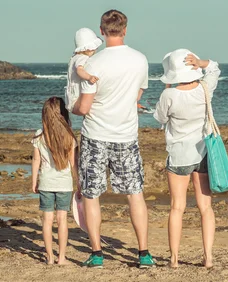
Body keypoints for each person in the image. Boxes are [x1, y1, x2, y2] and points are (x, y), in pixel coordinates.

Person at [72, 9, 154, 269]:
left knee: (92, 194)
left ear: (102, 30)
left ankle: (97, 253)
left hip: (96, 135)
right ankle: (144, 253)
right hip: (126, 135)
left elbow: (84, 108)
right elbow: (137, 95)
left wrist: (72, 107)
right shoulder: (140, 60)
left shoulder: (93, 63)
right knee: (135, 194)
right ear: (125, 29)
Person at [153, 49, 221, 268]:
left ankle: (173, 259)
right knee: (206, 208)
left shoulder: (169, 95)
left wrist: (167, 87)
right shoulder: (205, 88)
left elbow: (160, 118)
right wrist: (201, 62)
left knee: (177, 207)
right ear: (191, 68)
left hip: (179, 155)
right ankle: (208, 257)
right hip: (202, 152)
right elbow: (215, 68)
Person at [31, 97, 78, 265]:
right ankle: (62, 257)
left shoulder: (39, 135)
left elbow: (36, 161)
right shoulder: (69, 136)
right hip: (64, 184)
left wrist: (33, 181)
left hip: (45, 183)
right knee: (62, 220)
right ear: (64, 114)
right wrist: (78, 183)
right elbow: (74, 164)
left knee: (47, 220)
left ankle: (50, 257)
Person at [65, 28, 103, 111]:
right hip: (76, 95)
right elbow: (79, 70)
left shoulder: (75, 57)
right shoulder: (82, 58)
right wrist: (89, 77)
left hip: (71, 96)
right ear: (89, 49)